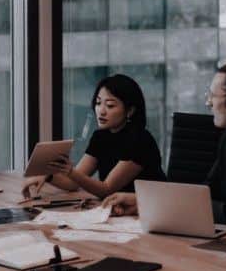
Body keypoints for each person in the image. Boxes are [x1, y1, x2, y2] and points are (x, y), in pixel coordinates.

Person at [104, 61, 226, 232]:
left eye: (212, 95)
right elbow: (206, 191)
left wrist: (199, 208)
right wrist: (143, 202)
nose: (208, 102)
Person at [22, 73, 165, 201]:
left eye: (110, 105)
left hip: (152, 210)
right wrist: (48, 176)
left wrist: (70, 171)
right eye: (98, 103)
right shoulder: (100, 137)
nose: (101, 111)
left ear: (130, 111)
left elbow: (106, 189)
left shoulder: (140, 140)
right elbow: (72, 183)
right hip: (117, 210)